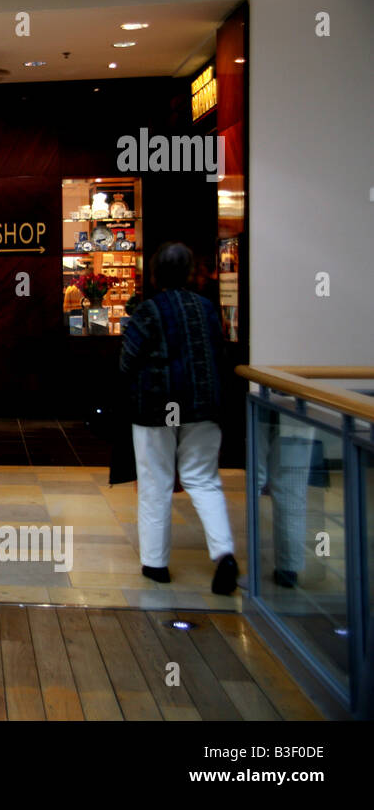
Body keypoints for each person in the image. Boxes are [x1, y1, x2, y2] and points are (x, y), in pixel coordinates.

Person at [119, 242, 238, 595]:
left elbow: (128, 361)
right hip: (203, 406)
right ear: (190, 272)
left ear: (154, 274)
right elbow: (219, 353)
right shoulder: (206, 308)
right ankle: (224, 554)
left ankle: (156, 564)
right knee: (203, 480)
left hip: (156, 407)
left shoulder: (148, 311)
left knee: (155, 482)